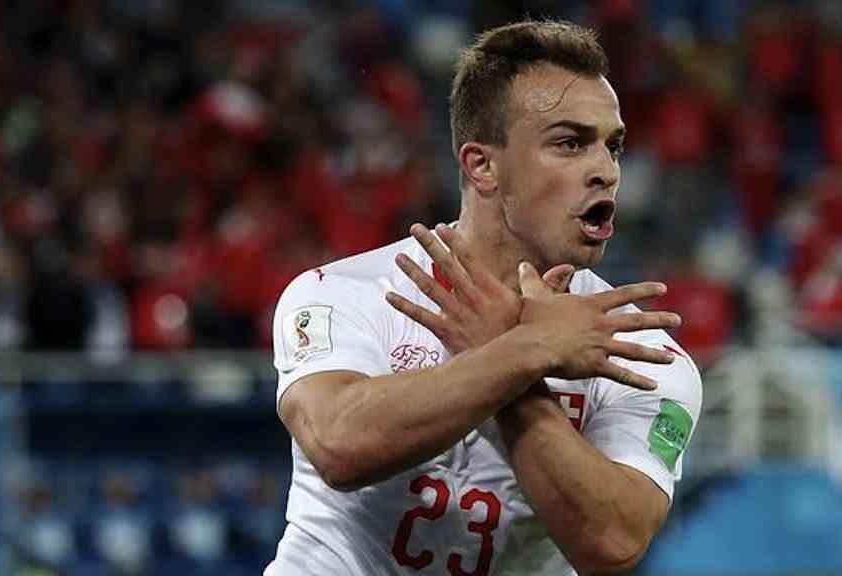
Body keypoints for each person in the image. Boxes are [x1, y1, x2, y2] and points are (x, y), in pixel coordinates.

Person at [264, 20, 702, 575]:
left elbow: (613, 542)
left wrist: (510, 362)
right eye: (570, 143)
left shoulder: (643, 353)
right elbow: (338, 444)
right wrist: (524, 351)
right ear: (482, 165)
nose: (605, 171)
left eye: (612, 146)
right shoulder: (342, 294)